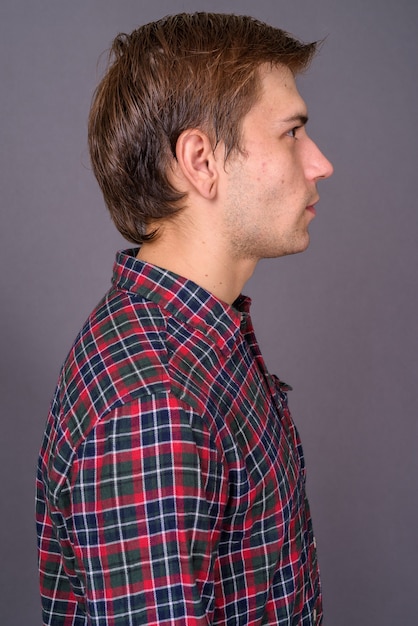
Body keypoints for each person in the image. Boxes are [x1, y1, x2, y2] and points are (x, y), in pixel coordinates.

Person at [36, 12, 333, 626]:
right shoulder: (155, 400)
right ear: (201, 160)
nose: (320, 163)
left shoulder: (201, 342)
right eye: (292, 132)